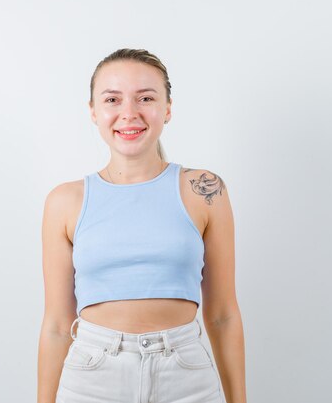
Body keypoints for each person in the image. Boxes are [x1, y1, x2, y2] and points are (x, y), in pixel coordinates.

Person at [37, 48, 246, 403]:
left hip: (186, 378)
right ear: (93, 111)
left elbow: (223, 315)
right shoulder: (65, 201)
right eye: (112, 99)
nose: (128, 113)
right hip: (92, 378)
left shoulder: (205, 190)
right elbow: (58, 325)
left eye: (145, 98)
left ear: (167, 109)